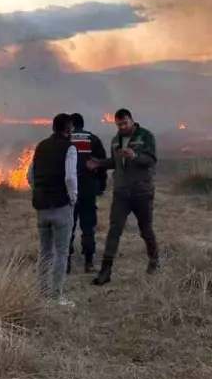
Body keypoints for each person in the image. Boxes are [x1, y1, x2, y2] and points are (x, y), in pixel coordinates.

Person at [88, 108, 158, 285]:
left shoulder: (146, 136)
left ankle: (154, 261)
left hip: (142, 190)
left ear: (132, 120)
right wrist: (99, 164)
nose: (122, 126)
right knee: (114, 229)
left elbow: (151, 159)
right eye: (119, 124)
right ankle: (106, 271)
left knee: (146, 229)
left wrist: (135, 156)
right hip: (121, 191)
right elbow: (114, 162)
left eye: (125, 123)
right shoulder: (115, 140)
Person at [26, 113, 79, 306]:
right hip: (61, 206)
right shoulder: (69, 148)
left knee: (45, 251)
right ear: (68, 129)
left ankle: (42, 294)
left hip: (41, 206)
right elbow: (70, 177)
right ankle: (57, 297)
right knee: (61, 251)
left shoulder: (41, 146)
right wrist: (72, 199)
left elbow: (29, 174)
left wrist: (39, 191)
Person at [68, 112, 108, 274]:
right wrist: (101, 185)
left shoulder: (65, 139)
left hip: (69, 189)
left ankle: (66, 263)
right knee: (88, 226)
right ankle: (89, 262)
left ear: (70, 125)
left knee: (68, 226)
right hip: (88, 188)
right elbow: (102, 164)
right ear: (83, 124)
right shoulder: (93, 139)